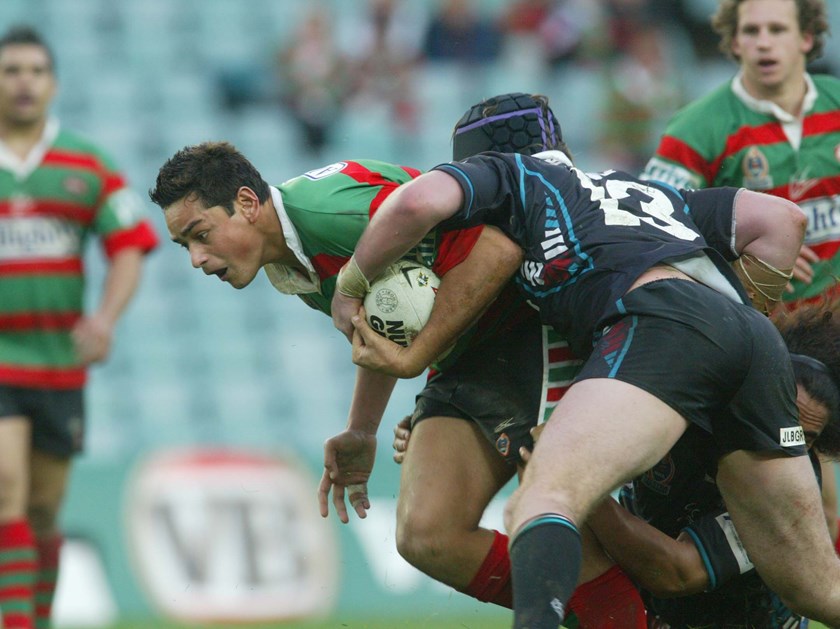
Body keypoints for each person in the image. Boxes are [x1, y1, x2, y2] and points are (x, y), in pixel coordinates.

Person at [148, 96, 649, 626]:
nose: (198, 260)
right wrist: (361, 430)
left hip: (528, 328)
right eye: (184, 247)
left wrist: (417, 359)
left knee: (562, 519)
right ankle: (591, 608)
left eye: (200, 236)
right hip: (471, 353)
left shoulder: (330, 212)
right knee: (427, 535)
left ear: (247, 203)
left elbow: (498, 249)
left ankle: (615, 611)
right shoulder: (287, 261)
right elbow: (388, 324)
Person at [331, 139, 840, 625]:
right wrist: (742, 328)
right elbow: (784, 219)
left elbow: (417, 200)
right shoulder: (648, 195)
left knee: (544, 498)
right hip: (750, 338)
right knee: (821, 591)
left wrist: (350, 285)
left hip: (659, 322)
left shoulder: (518, 177)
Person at [641, 0, 840, 557]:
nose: (763, 42)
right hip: (765, 347)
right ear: (732, 43)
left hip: (836, 342)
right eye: (750, 31)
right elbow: (650, 225)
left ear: (807, 39)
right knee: (809, 498)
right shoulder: (699, 128)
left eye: (778, 29)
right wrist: (744, 257)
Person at [0, 26, 158, 629]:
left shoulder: (86, 163)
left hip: (59, 363)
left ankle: (33, 619)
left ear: (53, 84)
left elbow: (128, 243)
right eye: (12, 70)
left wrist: (104, 318)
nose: (23, 82)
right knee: (6, 491)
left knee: (43, 511)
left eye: (35, 72)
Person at [581, 301, 840, 627]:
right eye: (781, 418)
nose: (784, 444)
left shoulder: (787, 491)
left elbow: (675, 573)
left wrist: (577, 488)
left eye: (806, 439)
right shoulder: (677, 405)